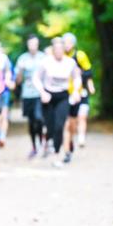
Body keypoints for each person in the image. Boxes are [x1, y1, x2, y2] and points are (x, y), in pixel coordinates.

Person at [33, 36, 81, 167]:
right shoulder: (45, 62)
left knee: (60, 124)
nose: (59, 51)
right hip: (48, 96)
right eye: (57, 49)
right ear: (53, 50)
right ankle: (50, 143)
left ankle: (58, 152)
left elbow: (77, 77)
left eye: (61, 49)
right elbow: (36, 78)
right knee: (50, 125)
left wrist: (76, 90)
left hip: (63, 96)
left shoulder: (70, 62)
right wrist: (42, 92)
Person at [62, 32, 96, 159]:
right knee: (71, 121)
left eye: (70, 42)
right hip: (66, 93)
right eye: (65, 42)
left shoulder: (80, 55)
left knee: (82, 116)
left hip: (81, 91)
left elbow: (88, 72)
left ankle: (81, 137)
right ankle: (70, 140)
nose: (67, 45)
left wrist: (90, 85)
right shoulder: (60, 57)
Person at [14, 34, 45, 158]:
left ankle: (42, 142)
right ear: (28, 45)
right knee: (31, 122)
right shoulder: (22, 59)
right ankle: (34, 146)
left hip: (40, 93)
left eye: (35, 44)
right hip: (27, 94)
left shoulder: (43, 57)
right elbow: (18, 81)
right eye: (30, 43)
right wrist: (20, 71)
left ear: (38, 45)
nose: (33, 46)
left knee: (39, 118)